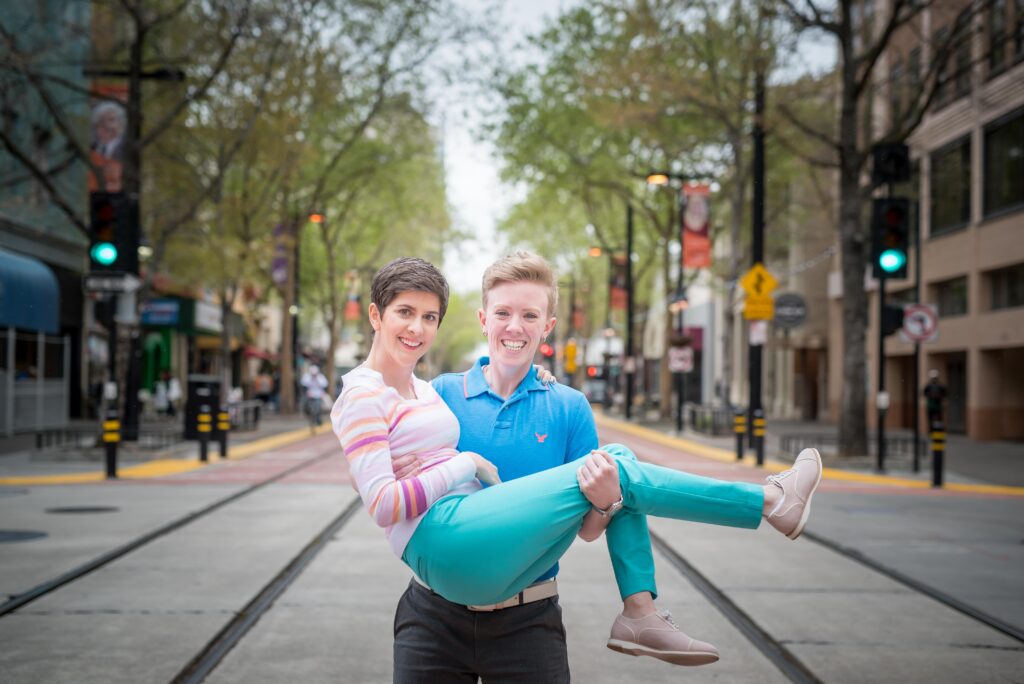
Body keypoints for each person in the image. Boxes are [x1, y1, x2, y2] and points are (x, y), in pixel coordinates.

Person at [332, 257, 822, 676]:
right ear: (483, 319)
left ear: (547, 327)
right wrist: (464, 462)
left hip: (528, 617)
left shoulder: (565, 406)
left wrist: (607, 501)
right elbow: (385, 439)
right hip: (434, 612)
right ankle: (760, 510)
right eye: (502, 313)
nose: (514, 326)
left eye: (529, 315)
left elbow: (589, 530)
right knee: (623, 464)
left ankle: (644, 608)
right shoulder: (439, 394)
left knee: (618, 473)